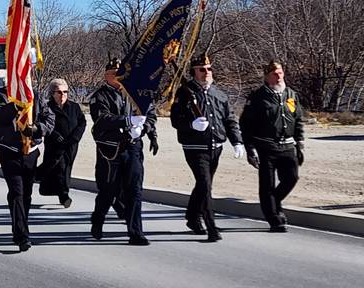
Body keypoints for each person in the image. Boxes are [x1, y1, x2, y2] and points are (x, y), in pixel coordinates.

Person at [170, 53, 244, 241]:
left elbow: (229, 120)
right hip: (195, 147)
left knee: (203, 184)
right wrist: (191, 125)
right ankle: (211, 226)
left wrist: (237, 141)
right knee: (205, 184)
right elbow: (175, 120)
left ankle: (192, 217)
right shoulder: (184, 93)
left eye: (209, 69)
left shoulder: (219, 94)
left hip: (215, 147)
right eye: (202, 69)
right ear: (194, 72)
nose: (207, 72)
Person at [89, 58, 158, 246]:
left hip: (133, 146)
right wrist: (127, 121)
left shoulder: (136, 93)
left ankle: (135, 232)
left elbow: (150, 114)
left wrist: (144, 130)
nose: (118, 77)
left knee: (135, 190)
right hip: (111, 149)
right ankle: (98, 219)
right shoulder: (100, 96)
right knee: (108, 191)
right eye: (114, 73)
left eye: (121, 73)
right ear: (106, 76)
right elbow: (102, 119)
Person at [240, 60, 305, 233]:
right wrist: (250, 149)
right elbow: (246, 124)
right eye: (274, 74)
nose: (279, 77)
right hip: (266, 146)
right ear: (267, 77)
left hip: (288, 146)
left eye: (280, 73)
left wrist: (300, 143)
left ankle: (273, 202)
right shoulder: (257, 97)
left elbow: (298, 120)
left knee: (291, 178)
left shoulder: (291, 94)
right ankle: (274, 218)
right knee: (267, 184)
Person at [0, 86, 55, 252]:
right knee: (17, 192)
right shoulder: (0, 95)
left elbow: (49, 119)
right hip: (9, 151)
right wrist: (15, 105)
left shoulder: (36, 94)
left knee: (26, 194)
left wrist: (37, 129)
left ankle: (18, 227)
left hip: (30, 151)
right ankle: (22, 236)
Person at [37, 78, 86, 208]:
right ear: (52, 93)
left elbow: (82, 122)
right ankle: (64, 195)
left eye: (65, 92)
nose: (62, 95)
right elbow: (42, 123)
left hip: (71, 144)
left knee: (65, 168)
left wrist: (75, 137)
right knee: (60, 168)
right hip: (55, 145)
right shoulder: (47, 107)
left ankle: (44, 182)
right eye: (59, 92)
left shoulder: (74, 107)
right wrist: (53, 134)